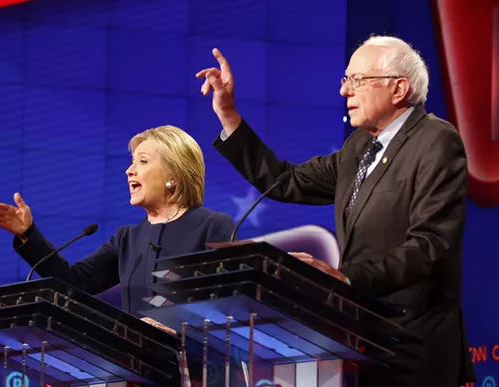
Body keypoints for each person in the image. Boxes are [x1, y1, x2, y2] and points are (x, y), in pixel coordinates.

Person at [196, 36, 476, 386]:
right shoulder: (358, 147)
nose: (345, 91)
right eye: (345, 80)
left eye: (357, 80)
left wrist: (345, 278)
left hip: (414, 346)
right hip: (363, 341)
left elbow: (431, 246)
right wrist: (229, 114)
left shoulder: (435, 140)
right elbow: (284, 181)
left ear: (399, 88)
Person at [0, 125, 235, 319]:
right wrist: (29, 234)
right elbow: (74, 283)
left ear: (174, 175)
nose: (129, 170)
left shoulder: (213, 226)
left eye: (143, 161)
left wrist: (174, 322)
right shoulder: (127, 239)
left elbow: (226, 300)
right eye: (132, 162)